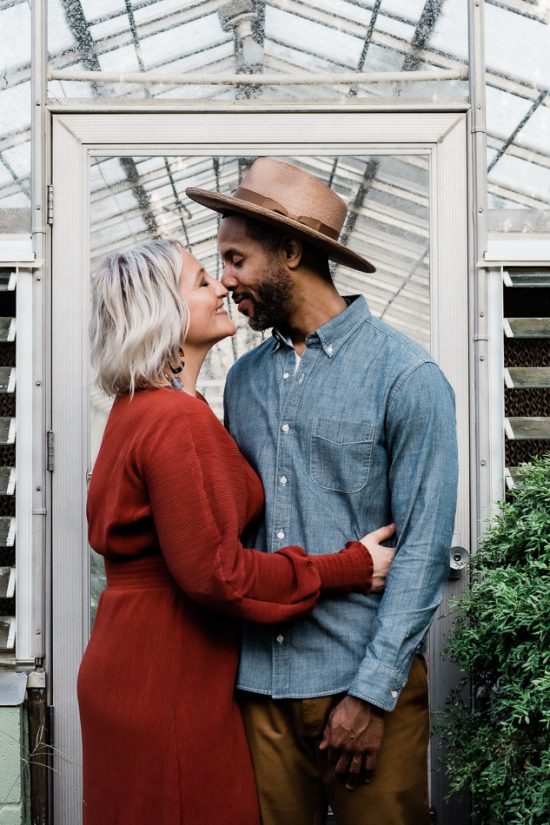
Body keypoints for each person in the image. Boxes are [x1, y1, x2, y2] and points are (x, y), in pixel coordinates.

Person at [78, 238, 397, 825]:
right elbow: (217, 573)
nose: (222, 286)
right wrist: (348, 566)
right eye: (202, 281)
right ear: (164, 312)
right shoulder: (172, 419)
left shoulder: (144, 408)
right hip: (167, 671)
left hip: (141, 658)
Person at [186, 158, 458, 825]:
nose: (224, 280)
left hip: (365, 689)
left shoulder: (408, 376)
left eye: (236, 258)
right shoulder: (244, 381)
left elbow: (422, 549)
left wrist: (370, 695)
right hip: (260, 692)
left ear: (290, 250)